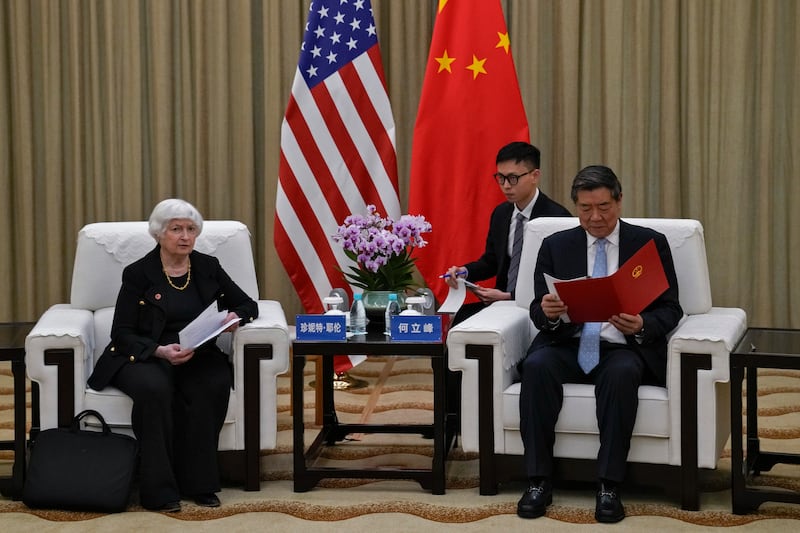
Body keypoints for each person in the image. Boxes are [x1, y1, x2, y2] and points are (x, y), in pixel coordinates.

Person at [516, 166, 683, 523]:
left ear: (619, 201)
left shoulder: (649, 244)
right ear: (576, 206)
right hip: (567, 344)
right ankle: (538, 482)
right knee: (536, 366)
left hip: (622, 348)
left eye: (604, 207)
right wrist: (549, 314)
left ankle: (608, 485)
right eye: (585, 208)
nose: (595, 217)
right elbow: (536, 308)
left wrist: (642, 325)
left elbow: (671, 308)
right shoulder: (555, 246)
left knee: (622, 374)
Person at [88, 199, 258, 512]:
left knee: (211, 385)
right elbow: (122, 333)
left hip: (197, 350)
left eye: (191, 229)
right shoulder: (138, 273)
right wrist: (159, 351)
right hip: (145, 353)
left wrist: (234, 318)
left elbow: (249, 305)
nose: (185, 236)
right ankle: (159, 490)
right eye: (176, 229)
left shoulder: (208, 267)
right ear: (158, 234)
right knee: (155, 390)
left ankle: (200, 484)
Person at [444, 141, 571, 324]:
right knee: (459, 320)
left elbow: (560, 277)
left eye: (513, 178)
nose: (506, 186)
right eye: (500, 178)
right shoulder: (501, 213)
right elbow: (491, 261)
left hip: (539, 306)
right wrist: (464, 272)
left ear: (535, 176)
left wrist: (509, 296)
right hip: (499, 302)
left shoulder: (556, 218)